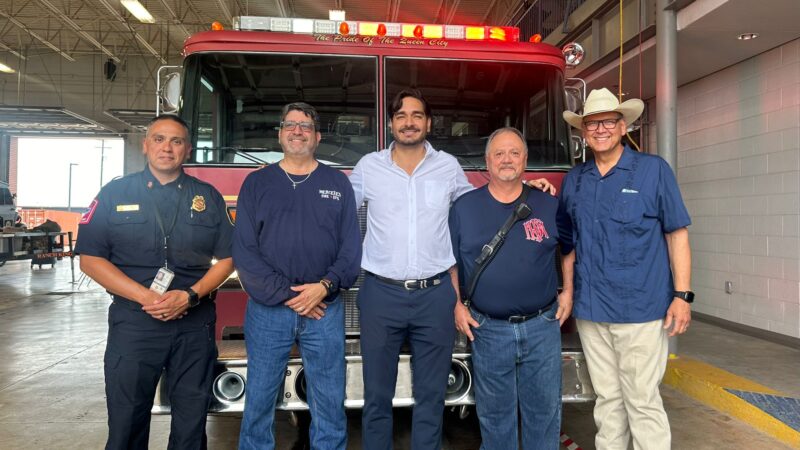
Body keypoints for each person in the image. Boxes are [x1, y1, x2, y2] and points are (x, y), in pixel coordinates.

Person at [350, 89, 554, 450]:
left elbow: (485, 199)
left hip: (435, 296)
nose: (409, 122)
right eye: (401, 115)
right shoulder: (369, 167)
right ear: (390, 123)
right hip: (380, 294)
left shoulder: (447, 167)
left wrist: (526, 190)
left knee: (432, 397)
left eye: (417, 115)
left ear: (428, 123)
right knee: (376, 395)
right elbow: (337, 215)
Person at [76, 114, 235, 449]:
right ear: (145, 145)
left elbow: (229, 258)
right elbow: (90, 258)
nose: (168, 148)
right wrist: (145, 297)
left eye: (176, 141)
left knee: (191, 422)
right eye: (160, 139)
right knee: (126, 421)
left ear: (188, 149)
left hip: (194, 324)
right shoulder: (114, 193)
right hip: (134, 324)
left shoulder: (208, 198)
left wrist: (190, 296)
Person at [558, 88, 693, 450]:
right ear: (583, 133)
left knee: (642, 400)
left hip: (641, 309)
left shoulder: (653, 171)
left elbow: (676, 234)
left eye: (607, 122)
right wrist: (568, 292)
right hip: (591, 309)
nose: (599, 129)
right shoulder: (576, 180)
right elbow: (567, 245)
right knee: (607, 401)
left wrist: (682, 296)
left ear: (622, 127)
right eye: (591, 124)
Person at [233, 102, 362, 450]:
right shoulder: (256, 183)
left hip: (324, 309)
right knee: (259, 398)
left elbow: (351, 249)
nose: (297, 131)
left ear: (317, 137)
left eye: (305, 126)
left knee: (329, 401)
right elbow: (245, 250)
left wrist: (323, 287)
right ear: (280, 134)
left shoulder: (337, 183)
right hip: (268, 312)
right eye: (290, 125)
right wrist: (292, 296)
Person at [450, 127, 573, 450]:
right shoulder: (463, 208)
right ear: (487, 163)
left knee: (544, 414)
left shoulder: (549, 204)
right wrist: (456, 305)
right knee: (495, 416)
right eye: (499, 154)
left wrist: (569, 292)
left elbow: (569, 250)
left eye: (514, 153)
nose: (507, 160)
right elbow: (449, 261)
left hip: (542, 327)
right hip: (488, 329)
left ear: (525, 160)